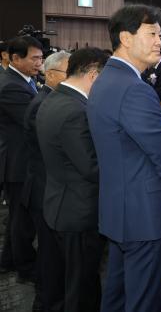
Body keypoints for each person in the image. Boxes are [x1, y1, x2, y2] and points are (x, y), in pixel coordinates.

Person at [87, 4, 161, 312]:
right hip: (143, 215)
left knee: (117, 296)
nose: (160, 41)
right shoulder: (135, 89)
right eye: (152, 34)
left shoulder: (104, 80)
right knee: (145, 301)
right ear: (126, 38)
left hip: (119, 209)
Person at [37, 48, 109, 312]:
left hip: (60, 203)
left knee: (69, 282)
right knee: (82, 289)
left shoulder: (53, 99)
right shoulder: (75, 110)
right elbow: (92, 167)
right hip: (78, 212)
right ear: (93, 75)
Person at [22, 50, 70, 311]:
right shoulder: (45, 104)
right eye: (68, 73)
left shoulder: (51, 99)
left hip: (47, 188)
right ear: (51, 75)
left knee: (52, 257)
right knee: (51, 258)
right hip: (46, 190)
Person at [0, 36, 43, 282]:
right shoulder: (11, 86)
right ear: (15, 58)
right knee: (22, 220)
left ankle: (8, 260)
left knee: (19, 217)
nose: (40, 63)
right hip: (18, 163)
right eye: (34, 58)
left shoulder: (24, 80)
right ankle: (25, 268)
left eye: (40, 57)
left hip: (20, 159)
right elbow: (34, 122)